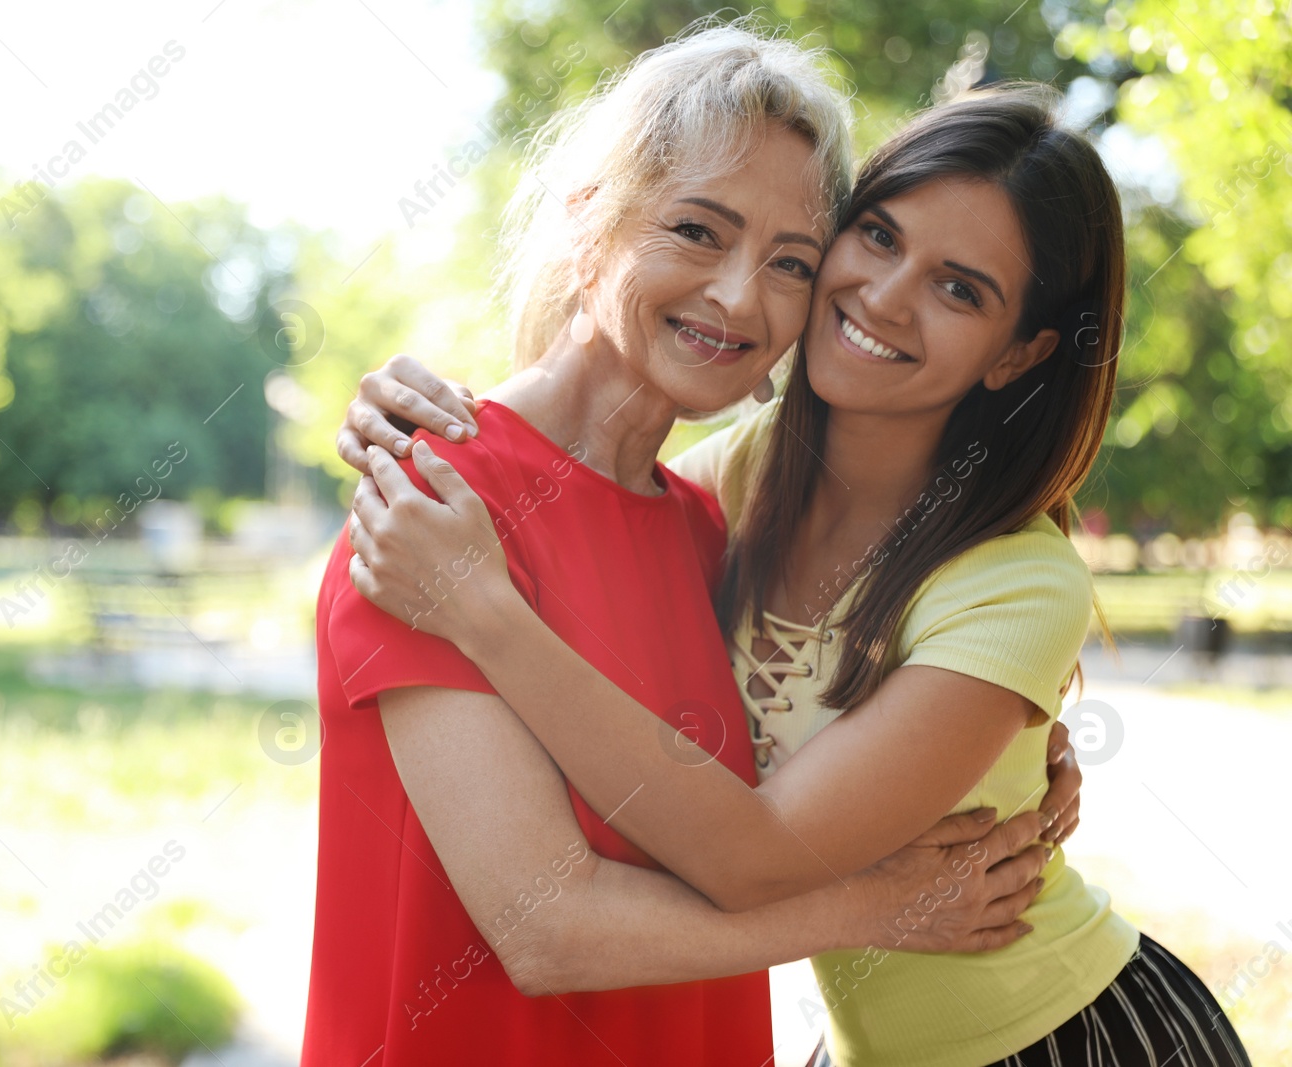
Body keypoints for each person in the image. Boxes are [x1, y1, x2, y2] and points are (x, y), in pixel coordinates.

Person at [339, 83, 1254, 1065]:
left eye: (960, 289)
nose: (885, 296)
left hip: (1068, 1034)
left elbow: (755, 856)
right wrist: (401, 415)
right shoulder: (719, 490)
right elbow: (570, 486)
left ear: (1019, 352)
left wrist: (483, 611)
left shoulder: (1019, 579)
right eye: (876, 238)